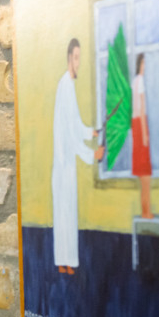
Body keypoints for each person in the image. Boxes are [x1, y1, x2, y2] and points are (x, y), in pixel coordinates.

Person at [51, 39, 105, 274]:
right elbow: (70, 134)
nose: (78, 62)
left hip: (67, 164)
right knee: (63, 213)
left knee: (67, 212)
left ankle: (66, 262)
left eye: (79, 57)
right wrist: (92, 154)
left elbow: (75, 125)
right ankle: (63, 262)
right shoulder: (65, 85)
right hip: (63, 163)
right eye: (75, 57)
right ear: (68, 58)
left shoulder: (68, 85)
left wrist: (91, 132)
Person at [131, 53, 152, 218]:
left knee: (142, 173)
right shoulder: (141, 81)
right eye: (143, 63)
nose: (144, 66)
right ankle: (146, 211)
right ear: (140, 65)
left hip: (135, 125)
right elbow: (141, 108)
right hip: (140, 125)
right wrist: (145, 133)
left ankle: (145, 210)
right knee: (145, 174)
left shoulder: (134, 82)